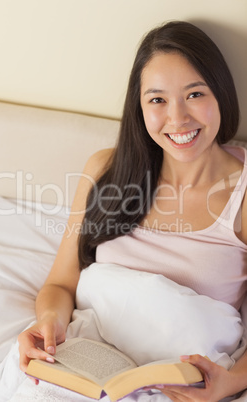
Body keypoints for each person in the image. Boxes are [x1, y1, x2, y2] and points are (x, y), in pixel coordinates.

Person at [18, 21, 247, 401]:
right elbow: (60, 284)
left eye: (194, 94)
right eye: (157, 100)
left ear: (221, 93)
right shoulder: (105, 171)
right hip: (91, 365)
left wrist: (235, 380)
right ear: (139, 107)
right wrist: (48, 324)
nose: (177, 118)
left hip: (181, 381)